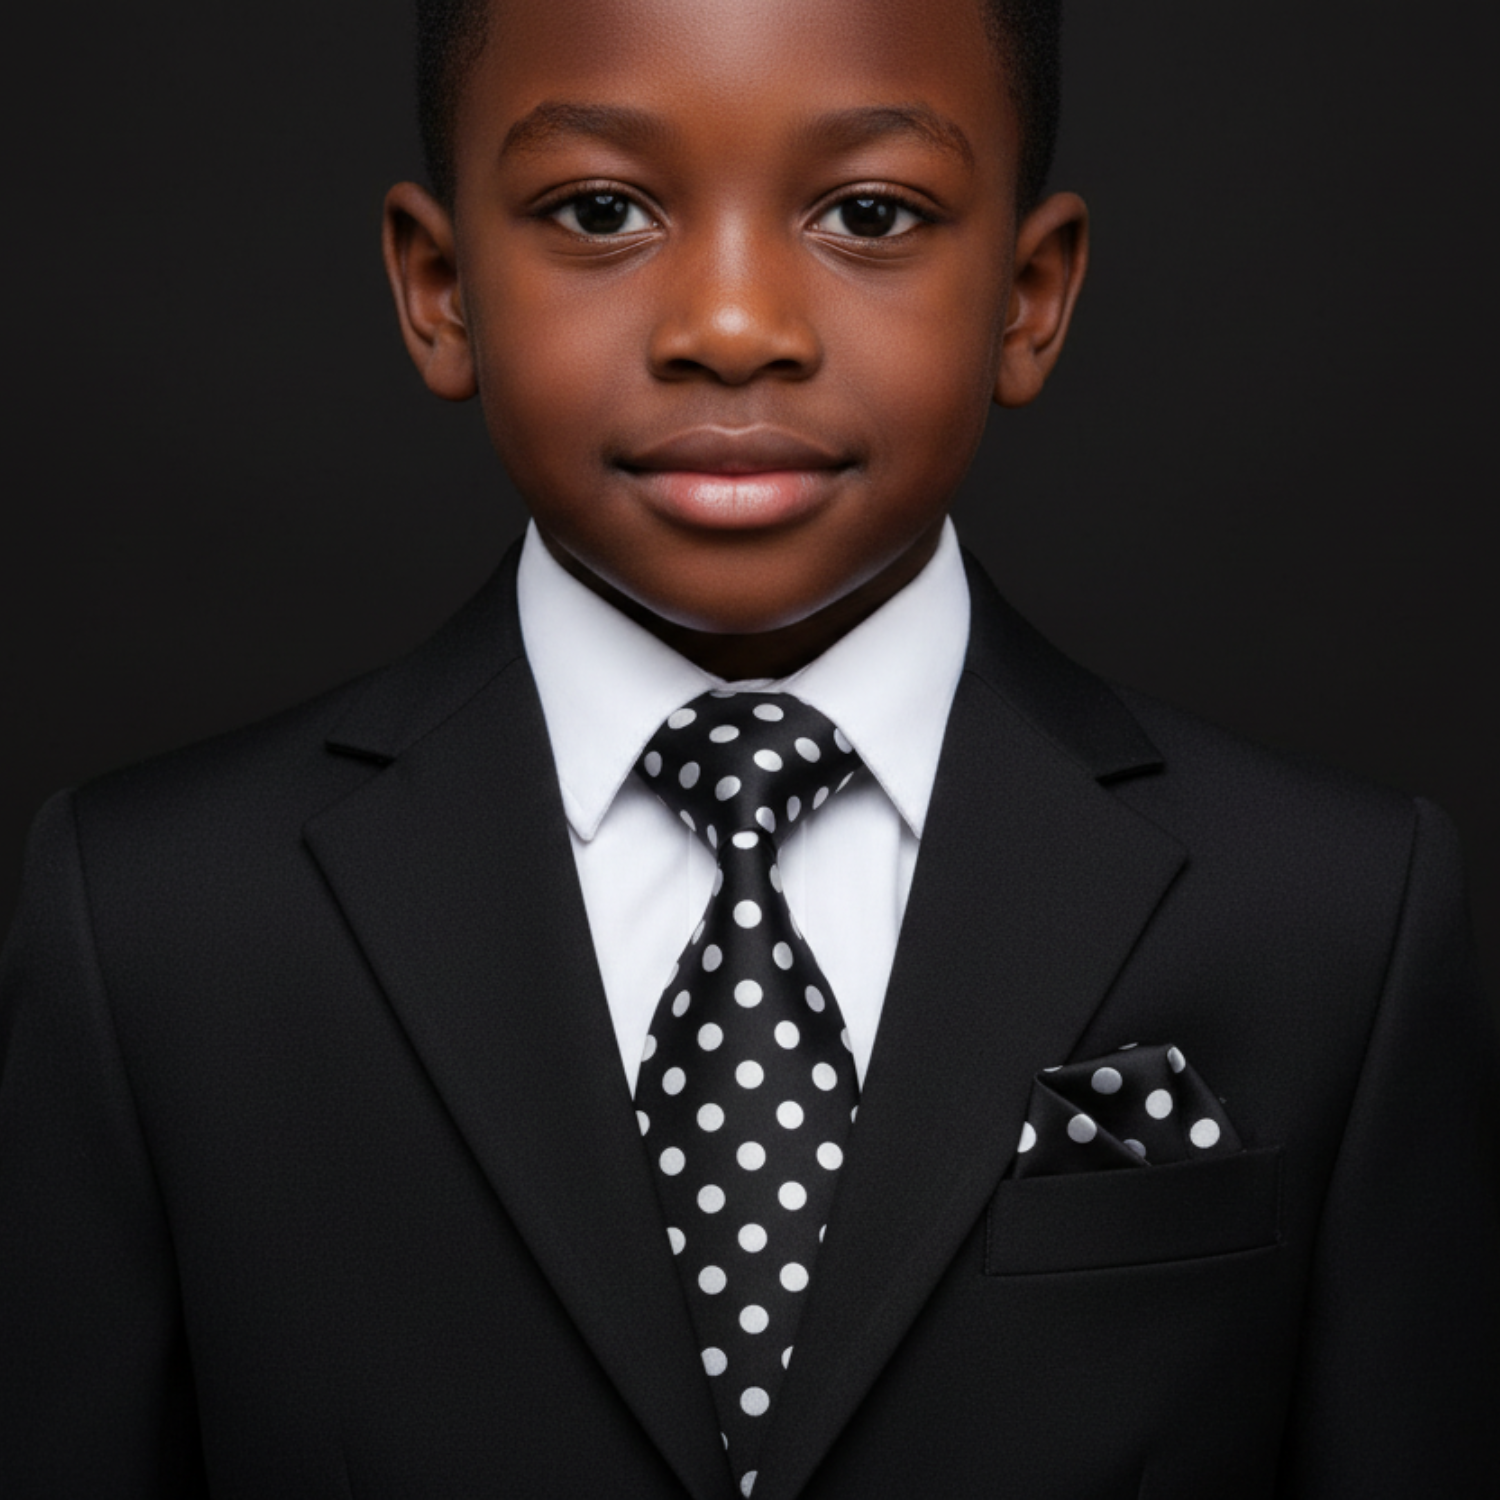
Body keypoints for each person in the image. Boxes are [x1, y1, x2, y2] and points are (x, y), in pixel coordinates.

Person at [1, 0, 1495, 1494]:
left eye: (868, 212)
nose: (732, 328)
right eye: (600, 210)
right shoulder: (151, 927)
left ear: (1029, 297)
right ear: (440, 286)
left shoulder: (1334, 917)